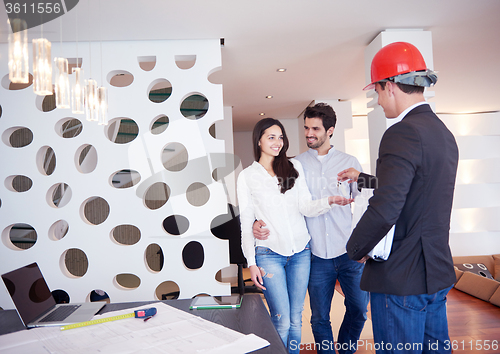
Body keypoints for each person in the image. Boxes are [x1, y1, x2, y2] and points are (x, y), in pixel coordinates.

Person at [343, 42, 459, 354]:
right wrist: (365, 178)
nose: (378, 102)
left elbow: (386, 208)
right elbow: (415, 189)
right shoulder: (443, 134)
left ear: (390, 86)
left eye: (377, 92)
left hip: (401, 279)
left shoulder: (401, 132)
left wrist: (354, 249)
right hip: (434, 271)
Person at [254, 103, 369, 354]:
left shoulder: (349, 162)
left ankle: (346, 350)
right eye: (306, 127)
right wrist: (255, 221)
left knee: (359, 309)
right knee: (319, 317)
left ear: (330, 130)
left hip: (349, 252)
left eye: (315, 128)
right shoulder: (295, 165)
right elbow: (275, 201)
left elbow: (367, 202)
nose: (308, 133)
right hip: (314, 254)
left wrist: (361, 175)